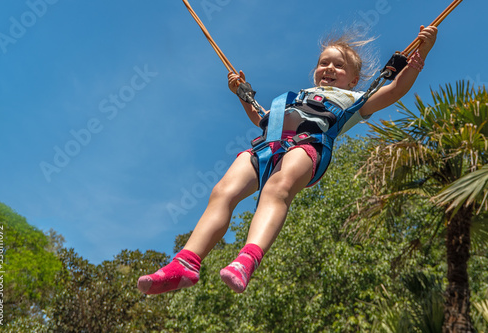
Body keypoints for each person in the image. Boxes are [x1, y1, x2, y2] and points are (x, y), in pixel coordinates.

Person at [137, 25, 438, 294]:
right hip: (268, 145)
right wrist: (241, 94)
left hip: (309, 147)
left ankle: (247, 259)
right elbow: (263, 119)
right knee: (223, 191)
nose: (329, 68)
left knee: (277, 188)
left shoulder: (355, 101)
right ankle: (186, 262)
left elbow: (395, 88)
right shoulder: (294, 98)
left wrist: (418, 57)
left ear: (354, 80)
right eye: (324, 63)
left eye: (339, 65)